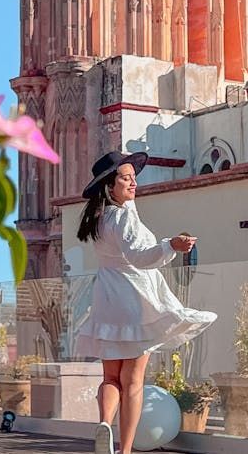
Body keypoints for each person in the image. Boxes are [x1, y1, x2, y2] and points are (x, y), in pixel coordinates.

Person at [74, 151, 217, 454]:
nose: (133, 182)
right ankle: (124, 451)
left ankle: (104, 423)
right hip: (133, 298)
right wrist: (172, 245)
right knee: (134, 381)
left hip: (107, 297)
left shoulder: (98, 218)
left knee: (111, 377)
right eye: (125, 178)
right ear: (109, 185)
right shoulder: (123, 216)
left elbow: (126, 242)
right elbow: (140, 256)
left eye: (133, 177)